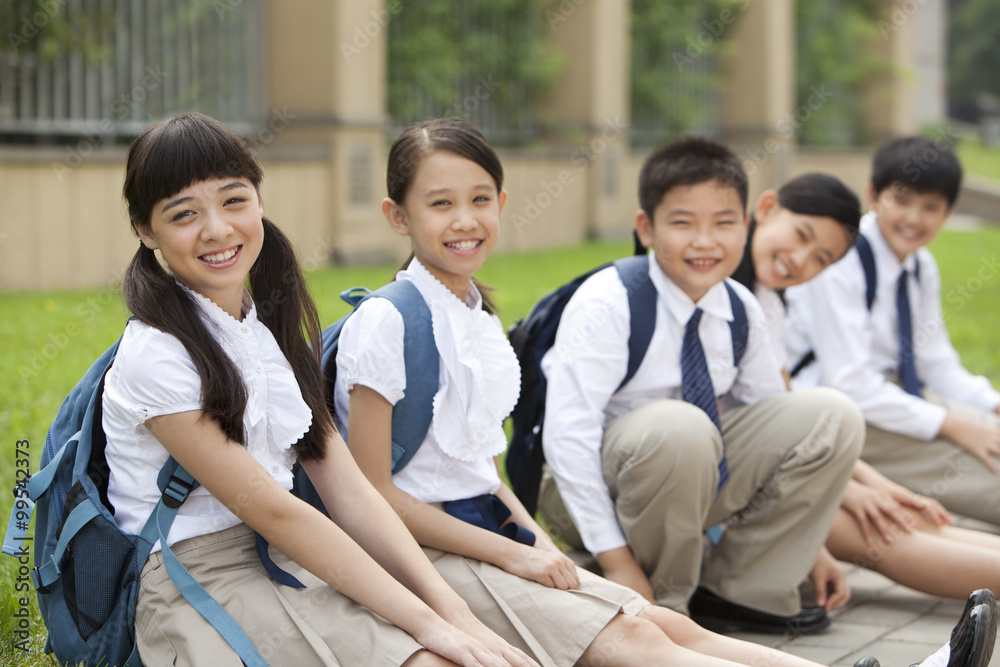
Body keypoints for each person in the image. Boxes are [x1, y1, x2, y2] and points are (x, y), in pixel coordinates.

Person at [330, 117, 991, 667]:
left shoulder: (474, 315)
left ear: (502, 204)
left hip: (492, 526)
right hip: (431, 546)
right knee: (642, 637)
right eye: (440, 203)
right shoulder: (389, 321)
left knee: (667, 626)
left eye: (479, 200)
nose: (465, 220)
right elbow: (373, 494)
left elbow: (480, 471)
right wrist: (529, 552)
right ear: (397, 215)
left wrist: (537, 546)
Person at [103, 112, 541, 667]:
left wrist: (454, 614)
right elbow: (275, 512)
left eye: (234, 200)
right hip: (195, 578)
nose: (216, 229)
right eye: (184, 213)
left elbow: (351, 492)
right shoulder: (156, 354)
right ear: (146, 231)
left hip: (290, 559)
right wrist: (433, 626)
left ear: (259, 201)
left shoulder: (267, 330)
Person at [536, 137, 864, 637]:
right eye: (684, 222)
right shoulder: (610, 301)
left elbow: (774, 425)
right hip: (587, 489)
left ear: (746, 225)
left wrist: (810, 546)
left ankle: (741, 589)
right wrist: (618, 561)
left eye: (724, 223)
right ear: (646, 228)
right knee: (680, 427)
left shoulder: (739, 308)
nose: (706, 241)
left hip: (690, 478)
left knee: (832, 416)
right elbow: (568, 440)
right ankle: (667, 608)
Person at [734, 171, 1000, 603]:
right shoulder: (727, 295)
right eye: (800, 235)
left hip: (804, 446)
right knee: (888, 530)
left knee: (903, 514)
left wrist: (873, 484)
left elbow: (776, 414)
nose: (801, 260)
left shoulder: (766, 300)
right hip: (782, 458)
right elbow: (807, 408)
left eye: (820, 257)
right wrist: (845, 488)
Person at [784, 137, 1000, 534]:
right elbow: (849, 383)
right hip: (840, 414)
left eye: (930, 207)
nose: (913, 218)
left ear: (948, 212)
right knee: (986, 469)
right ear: (873, 196)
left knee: (989, 432)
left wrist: (992, 405)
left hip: (896, 396)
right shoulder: (842, 260)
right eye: (901, 201)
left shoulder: (920, 266)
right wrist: (955, 425)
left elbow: (936, 364)